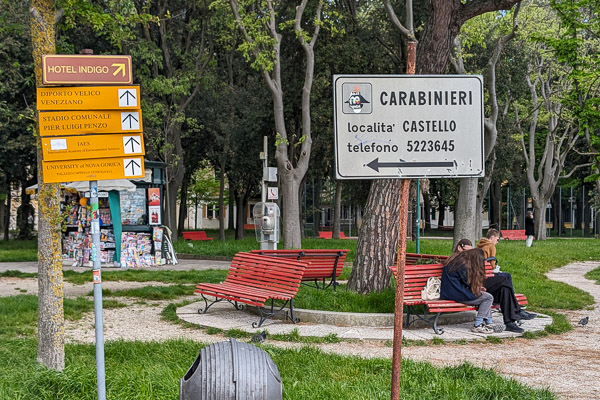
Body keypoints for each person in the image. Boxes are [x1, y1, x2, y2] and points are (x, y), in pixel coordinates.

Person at [456, 238, 536, 333]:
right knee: (504, 279)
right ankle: (516, 311)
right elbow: (466, 280)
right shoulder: (457, 261)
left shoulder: (466, 259)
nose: (468, 253)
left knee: (504, 288)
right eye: (466, 251)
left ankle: (509, 322)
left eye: (470, 251)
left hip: (478, 282)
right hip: (472, 287)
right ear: (459, 248)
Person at [440, 248, 495, 334]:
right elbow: (468, 282)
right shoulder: (463, 264)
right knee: (488, 297)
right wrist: (478, 287)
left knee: (485, 296)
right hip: (457, 293)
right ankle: (478, 324)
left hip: (449, 291)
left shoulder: (456, 260)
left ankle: (489, 324)